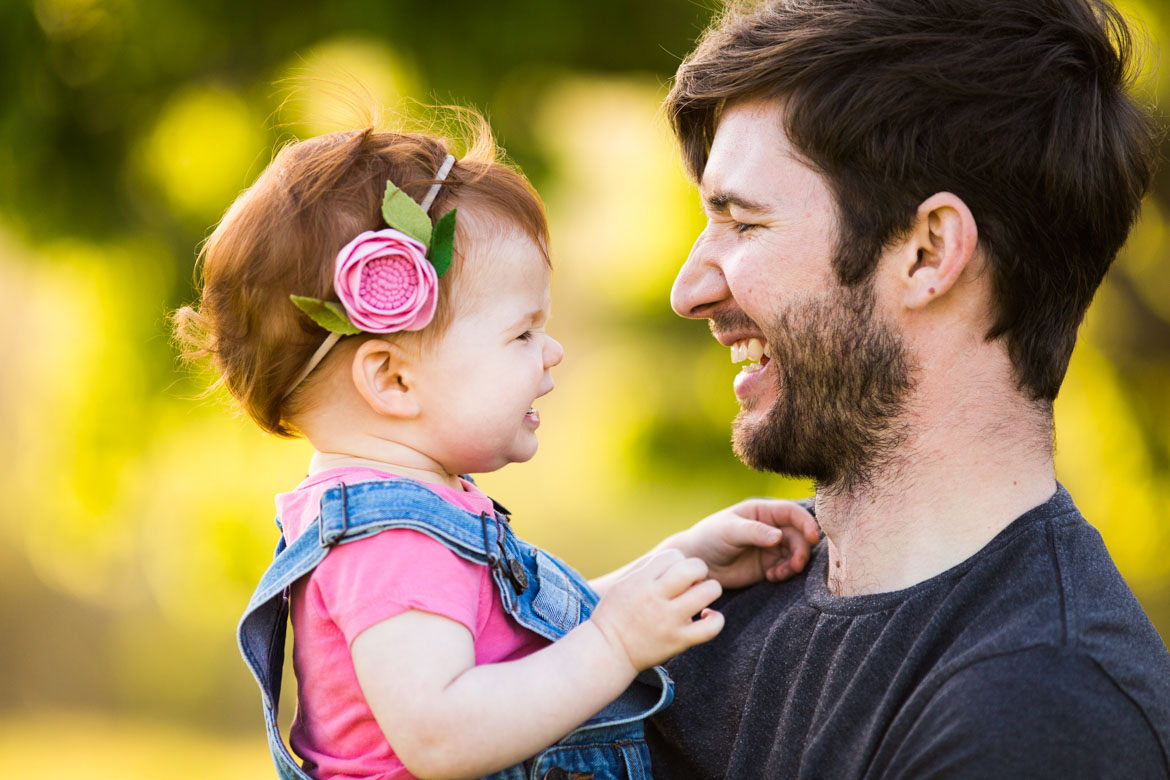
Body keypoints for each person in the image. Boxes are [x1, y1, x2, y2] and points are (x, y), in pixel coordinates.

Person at [173, 113, 821, 780]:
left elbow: (511, 647)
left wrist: (679, 564)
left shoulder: (416, 516)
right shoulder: (390, 540)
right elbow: (444, 736)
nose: (553, 352)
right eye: (521, 334)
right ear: (394, 379)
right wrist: (615, 641)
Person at [645, 0, 1170, 777]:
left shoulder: (1039, 713)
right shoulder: (715, 596)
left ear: (929, 252)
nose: (688, 290)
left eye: (743, 222)